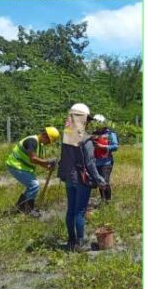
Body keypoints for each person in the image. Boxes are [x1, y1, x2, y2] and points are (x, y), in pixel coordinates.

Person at [58, 104, 107, 252]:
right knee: (80, 211)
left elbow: (64, 159)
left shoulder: (66, 137)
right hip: (82, 180)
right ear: (83, 120)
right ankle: (81, 244)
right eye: (87, 120)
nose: (89, 123)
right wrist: (100, 180)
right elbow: (91, 165)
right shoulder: (86, 140)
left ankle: (71, 241)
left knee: (71, 210)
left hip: (68, 178)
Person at [5, 127, 60, 217]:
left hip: (22, 167)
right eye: (49, 141)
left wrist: (48, 166)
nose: (49, 143)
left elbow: (38, 160)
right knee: (34, 185)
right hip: (15, 165)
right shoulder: (32, 141)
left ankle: (19, 207)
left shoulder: (39, 144)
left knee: (31, 186)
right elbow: (33, 159)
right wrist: (48, 162)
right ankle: (28, 210)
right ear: (45, 135)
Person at [91, 114, 119, 206]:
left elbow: (115, 146)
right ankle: (103, 199)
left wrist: (102, 146)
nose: (96, 124)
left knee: (105, 181)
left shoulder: (110, 133)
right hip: (95, 162)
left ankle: (108, 201)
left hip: (106, 162)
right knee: (100, 181)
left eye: (98, 122)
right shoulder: (93, 134)